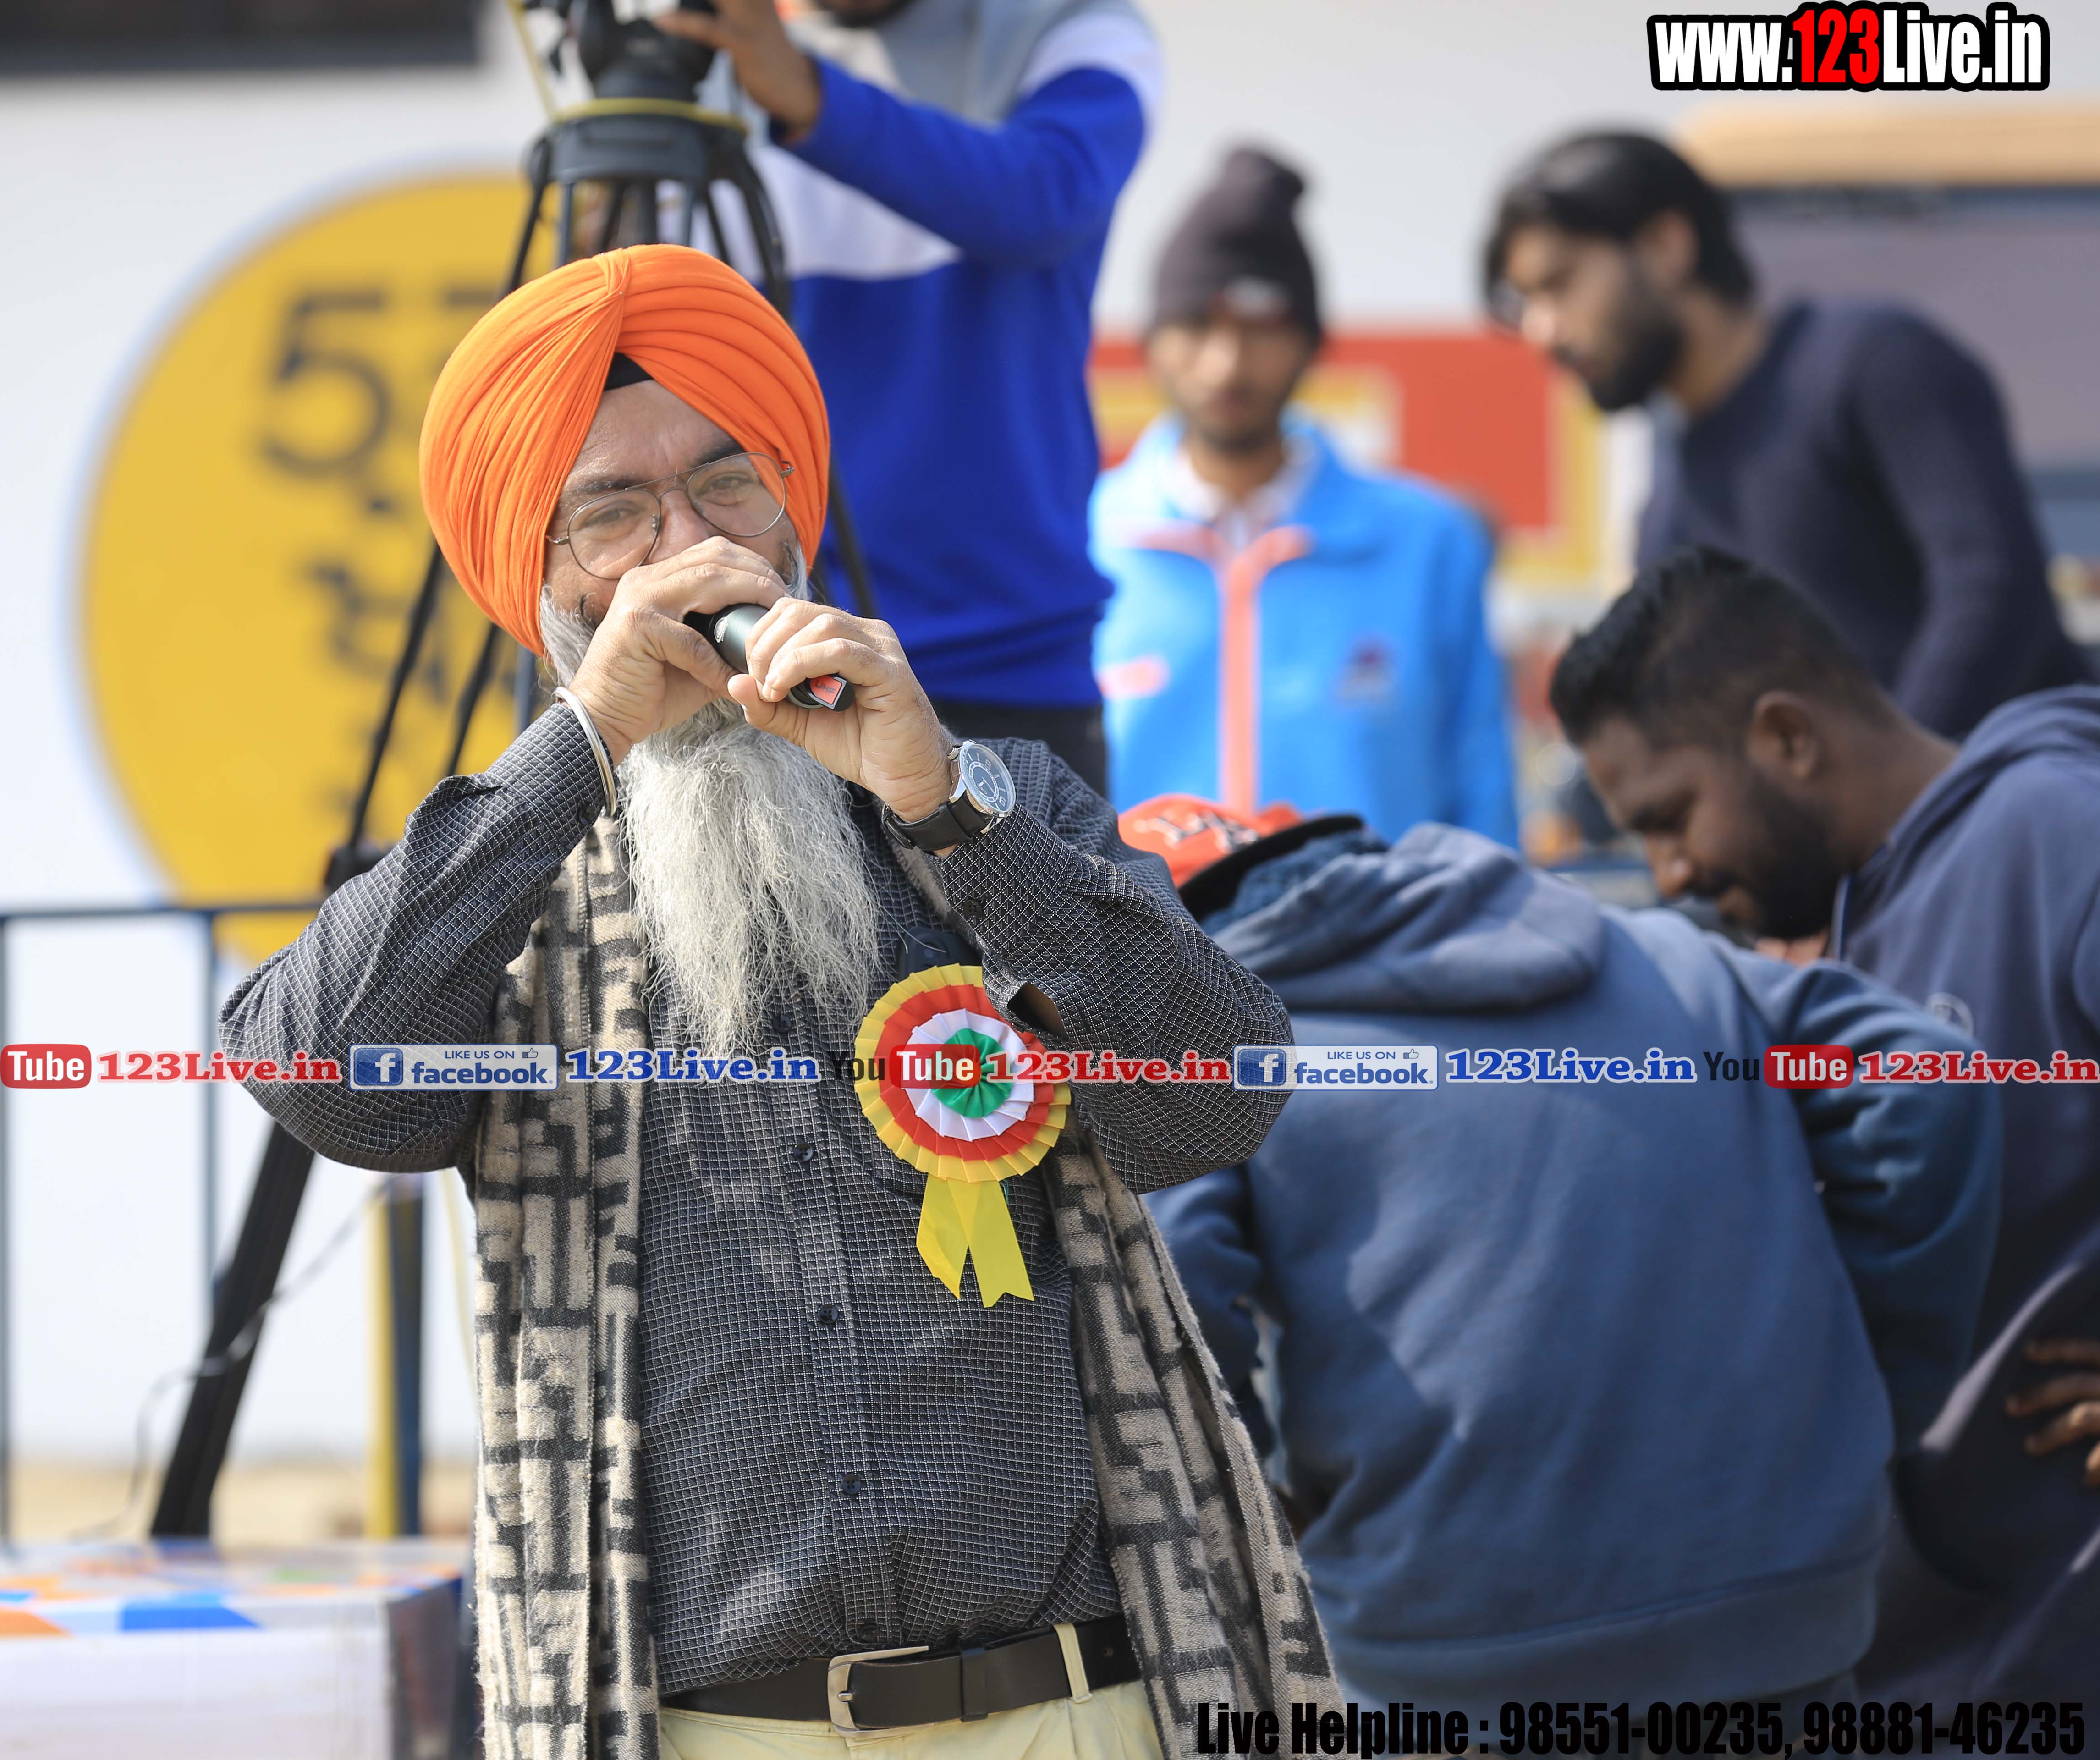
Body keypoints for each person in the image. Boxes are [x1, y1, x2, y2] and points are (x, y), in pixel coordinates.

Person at [221, 245, 1333, 1758]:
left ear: (792, 519)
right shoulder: (502, 888)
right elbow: (325, 1081)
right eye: (612, 514)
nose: (688, 547)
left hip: (1076, 1708)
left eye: (726, 485)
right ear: (544, 591)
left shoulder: (987, 801)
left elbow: (1218, 1103)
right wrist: (586, 738)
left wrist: (951, 813)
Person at [1134, 801, 1999, 1711]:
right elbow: (1928, 1080)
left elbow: (1171, 1284)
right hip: (1782, 1617)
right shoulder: (1667, 956)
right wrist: (1861, 1406)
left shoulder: (1209, 1056)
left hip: (1452, 1646)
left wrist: (1247, 1517)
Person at [1552, 544, 2100, 1696]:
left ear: (1788, 738)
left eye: (1671, 817)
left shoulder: (2057, 832)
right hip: (1955, 1637)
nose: (1672, 872)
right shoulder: (1863, 918)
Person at [651, 0, 1160, 795]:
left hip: (1005, 665)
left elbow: (1045, 198)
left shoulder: (1067, 25)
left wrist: (806, 94)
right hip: (759, 656)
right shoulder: (700, 44)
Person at [1485, 131, 2085, 741]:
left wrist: (1899, 786)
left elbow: (1994, 589)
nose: (1540, 330)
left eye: (1559, 283)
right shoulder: (1669, 514)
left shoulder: (1869, 363)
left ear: (1666, 245)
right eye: (1525, 302)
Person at [1091, 146, 1517, 844]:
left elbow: (1485, 798)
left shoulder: (1429, 545)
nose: (1226, 363)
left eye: (1261, 328)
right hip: (1132, 923)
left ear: (1312, 342)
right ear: (1151, 343)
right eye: (1197, 327)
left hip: (1381, 921)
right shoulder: (1080, 546)